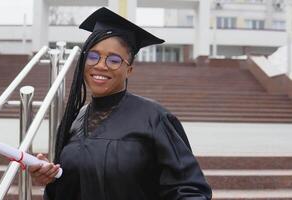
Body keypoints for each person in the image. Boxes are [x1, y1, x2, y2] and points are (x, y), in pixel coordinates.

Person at [29, 7, 212, 200]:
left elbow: (190, 189)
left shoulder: (154, 118)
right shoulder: (74, 120)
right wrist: (51, 178)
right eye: (93, 56)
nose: (100, 65)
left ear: (129, 70)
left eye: (114, 59)